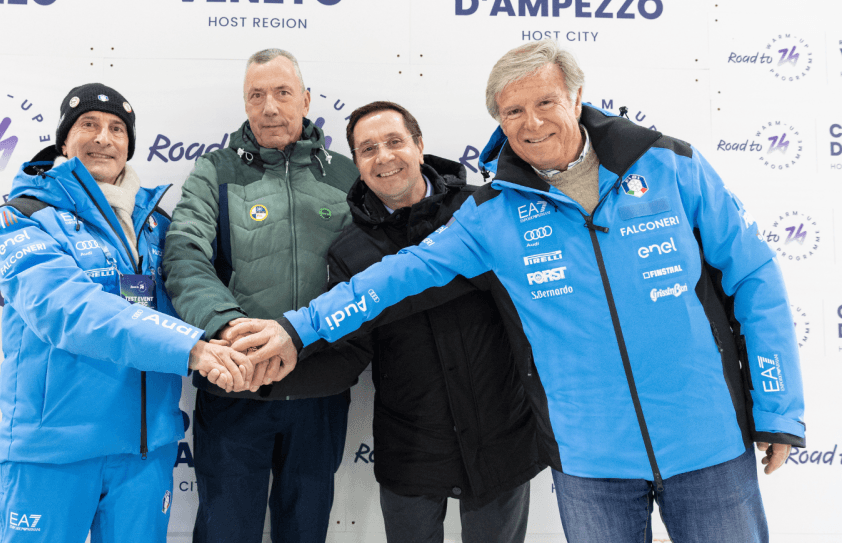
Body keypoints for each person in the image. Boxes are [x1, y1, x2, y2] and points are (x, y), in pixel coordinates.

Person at [228, 41, 806, 543]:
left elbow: (754, 275)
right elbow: (392, 278)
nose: (531, 124)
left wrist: (778, 408)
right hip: (590, 464)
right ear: (499, 122)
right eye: (513, 111)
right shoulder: (492, 214)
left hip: (708, 444)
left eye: (545, 103)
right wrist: (295, 328)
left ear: (576, 98)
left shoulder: (669, 165)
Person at [0, 83, 251, 543]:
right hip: (55, 451)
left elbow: (194, 293)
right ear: (64, 141)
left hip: (145, 454)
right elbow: (70, 309)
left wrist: (235, 333)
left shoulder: (157, 224)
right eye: (88, 125)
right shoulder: (23, 216)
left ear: (128, 145)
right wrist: (191, 348)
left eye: (116, 129)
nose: (103, 138)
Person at [161, 49, 360, 542]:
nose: (269, 107)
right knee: (226, 531)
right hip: (235, 384)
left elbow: (367, 274)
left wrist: (317, 341)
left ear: (306, 100)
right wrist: (227, 327)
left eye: (282, 93)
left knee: (305, 531)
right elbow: (184, 254)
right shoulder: (215, 171)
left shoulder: (346, 175)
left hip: (319, 385)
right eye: (256, 95)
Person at [323, 100, 542, 542]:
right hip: (411, 449)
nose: (384, 157)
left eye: (394, 141)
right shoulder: (349, 251)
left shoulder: (483, 210)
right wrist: (271, 367)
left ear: (419, 145)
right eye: (368, 149)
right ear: (357, 163)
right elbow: (348, 353)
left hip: (501, 437)